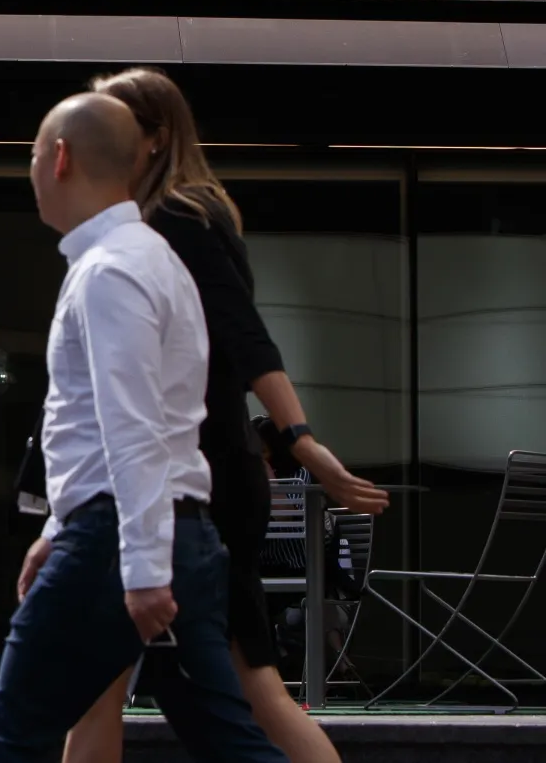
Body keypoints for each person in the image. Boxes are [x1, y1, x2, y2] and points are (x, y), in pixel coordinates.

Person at [60, 68, 388, 763]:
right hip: (188, 476)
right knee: (110, 686)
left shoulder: (178, 219)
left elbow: (244, 336)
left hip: (188, 481)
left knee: (245, 690)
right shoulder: (169, 221)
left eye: (111, 120)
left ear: (149, 139)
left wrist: (300, 439)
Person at [0, 92, 285, 763]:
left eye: (32, 153)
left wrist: (139, 567)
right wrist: (59, 526)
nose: (29, 169)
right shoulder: (153, 259)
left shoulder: (110, 271)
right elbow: (151, 423)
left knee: (12, 739)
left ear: (59, 158)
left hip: (120, 540)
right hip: (181, 536)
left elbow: (134, 426)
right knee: (229, 740)